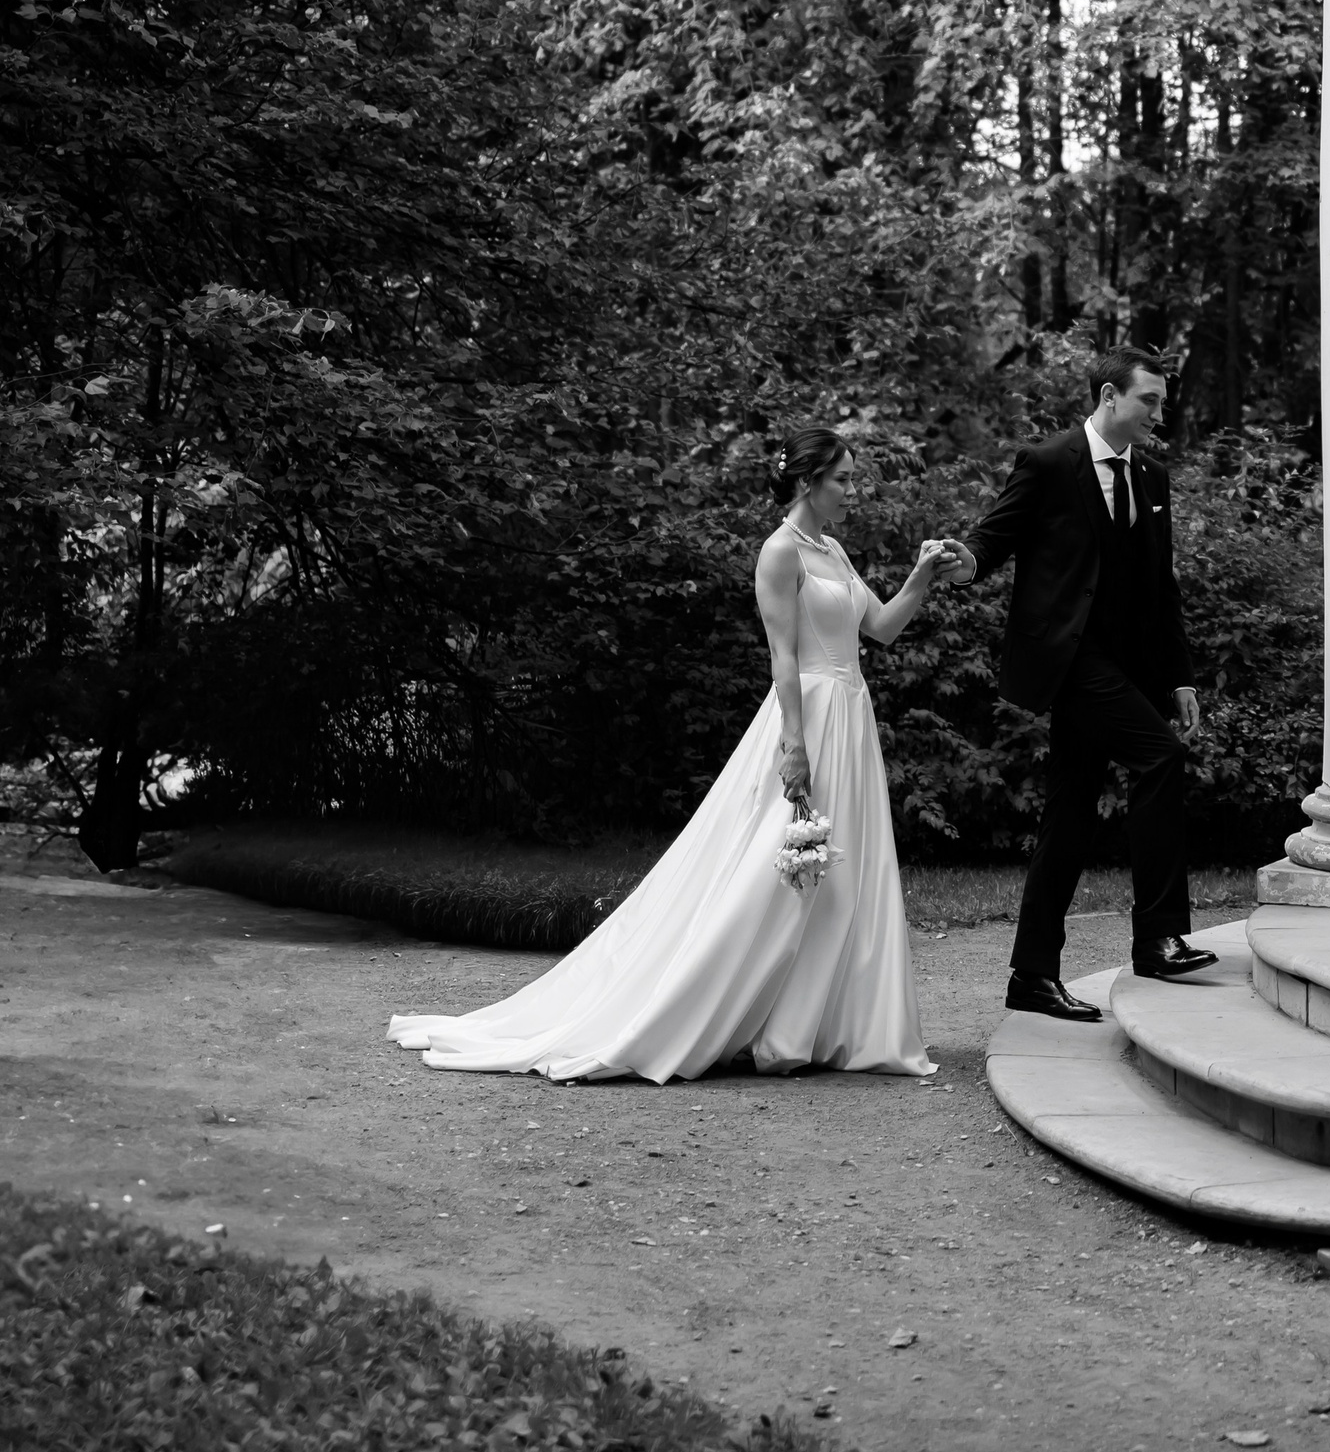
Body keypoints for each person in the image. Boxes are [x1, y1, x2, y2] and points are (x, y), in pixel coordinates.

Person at [387, 427, 959, 1083]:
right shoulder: (780, 552)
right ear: (808, 482)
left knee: (843, 872)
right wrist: (794, 745)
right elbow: (784, 657)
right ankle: (722, 1011)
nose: (853, 492)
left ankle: (823, 1025)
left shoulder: (832, 549)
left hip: (851, 719)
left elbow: (880, 627)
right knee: (775, 873)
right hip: (810, 719)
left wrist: (921, 576)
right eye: (844, 480)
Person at [946, 347, 1213, 1022]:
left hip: (1128, 667)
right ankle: (1157, 937)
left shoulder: (1151, 474)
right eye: (1149, 400)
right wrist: (965, 559)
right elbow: (995, 537)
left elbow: (1162, 587)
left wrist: (1179, 676)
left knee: (1067, 817)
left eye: (1162, 402)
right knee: (1160, 756)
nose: (1160, 413)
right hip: (1070, 662)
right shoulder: (1048, 462)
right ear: (1108, 396)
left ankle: (1032, 974)